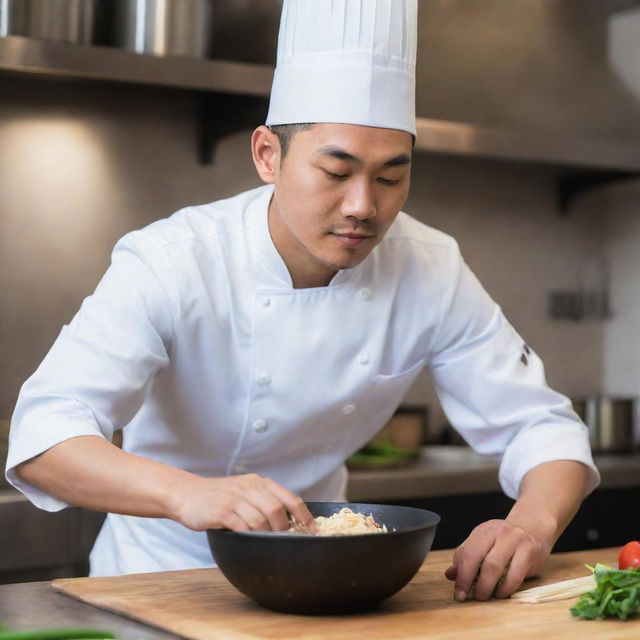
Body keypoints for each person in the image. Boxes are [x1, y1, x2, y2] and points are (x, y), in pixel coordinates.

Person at [5, 0, 599, 602]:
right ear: (268, 155)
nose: (365, 207)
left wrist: (530, 525)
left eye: (391, 177)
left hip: (331, 574)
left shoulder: (430, 265)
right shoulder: (175, 258)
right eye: (336, 173)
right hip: (159, 577)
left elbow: (541, 427)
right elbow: (45, 438)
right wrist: (191, 493)